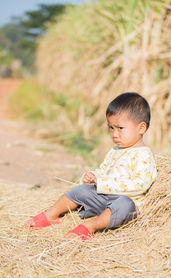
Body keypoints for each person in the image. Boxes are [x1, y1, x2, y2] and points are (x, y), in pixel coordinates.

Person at [25, 92, 157, 240]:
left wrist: (104, 183)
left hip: (125, 204)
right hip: (104, 198)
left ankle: (91, 226)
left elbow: (140, 184)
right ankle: (52, 215)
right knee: (81, 190)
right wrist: (95, 177)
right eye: (111, 128)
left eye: (120, 128)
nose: (114, 134)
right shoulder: (115, 151)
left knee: (125, 205)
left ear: (141, 128)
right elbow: (104, 170)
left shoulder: (144, 155)